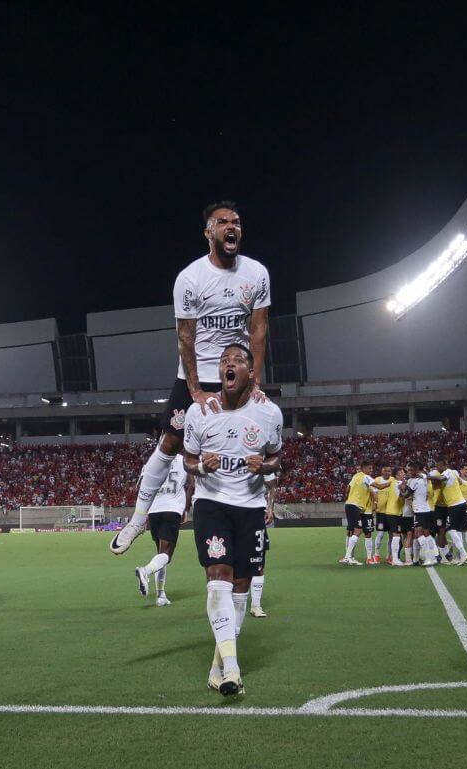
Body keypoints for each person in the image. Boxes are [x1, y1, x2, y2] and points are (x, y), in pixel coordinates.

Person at [110, 201, 271, 555]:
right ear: (208, 232)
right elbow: (185, 336)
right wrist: (195, 388)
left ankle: (250, 517)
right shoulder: (190, 278)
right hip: (196, 376)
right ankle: (138, 518)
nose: (232, 227)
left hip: (237, 374)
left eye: (237, 222)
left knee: (249, 444)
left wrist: (255, 379)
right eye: (223, 222)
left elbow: (258, 329)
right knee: (169, 443)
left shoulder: (257, 273)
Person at [182, 343, 283, 697]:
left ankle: (218, 667)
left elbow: (277, 460)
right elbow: (187, 461)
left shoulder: (269, 413)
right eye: (224, 360)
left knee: (241, 586)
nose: (229, 364)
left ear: (250, 372)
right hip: (212, 504)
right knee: (219, 577)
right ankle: (235, 668)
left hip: (251, 507)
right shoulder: (199, 412)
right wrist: (199, 467)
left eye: (237, 360)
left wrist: (265, 466)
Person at [134, 459, 192, 606]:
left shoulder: (152, 461)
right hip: (171, 509)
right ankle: (145, 571)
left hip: (154, 511)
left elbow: (140, 488)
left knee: (160, 555)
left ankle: (161, 595)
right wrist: (186, 508)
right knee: (166, 555)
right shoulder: (183, 460)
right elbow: (191, 485)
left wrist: (143, 513)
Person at [249, 470, 278, 617]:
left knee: (259, 563)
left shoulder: (260, 458)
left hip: (255, 515)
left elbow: (273, 485)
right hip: (230, 515)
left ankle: (256, 605)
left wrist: (270, 508)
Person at [433, 460, 467, 564]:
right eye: (436, 466)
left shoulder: (447, 472)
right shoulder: (454, 472)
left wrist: (427, 477)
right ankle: (462, 555)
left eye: (439, 466)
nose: (438, 468)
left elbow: (441, 478)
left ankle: (463, 554)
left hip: (454, 504)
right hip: (461, 503)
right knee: (458, 529)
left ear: (445, 465)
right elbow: (460, 482)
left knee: (451, 530)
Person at [339, 460, 376, 566]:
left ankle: (366, 557)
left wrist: (375, 504)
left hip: (365, 510)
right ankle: (349, 556)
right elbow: (378, 488)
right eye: (369, 468)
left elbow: (374, 493)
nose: (371, 470)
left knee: (365, 532)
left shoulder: (361, 478)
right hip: (358, 507)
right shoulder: (361, 477)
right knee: (355, 531)